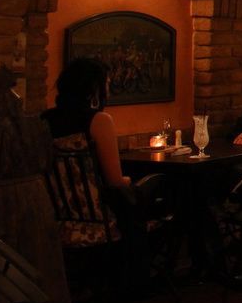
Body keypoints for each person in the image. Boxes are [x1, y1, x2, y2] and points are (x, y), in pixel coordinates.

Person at [42, 58, 158, 290]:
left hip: (62, 218)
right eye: (106, 83)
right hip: (101, 219)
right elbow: (115, 180)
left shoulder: (44, 120)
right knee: (166, 191)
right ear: (94, 88)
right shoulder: (98, 121)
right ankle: (142, 278)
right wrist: (129, 181)